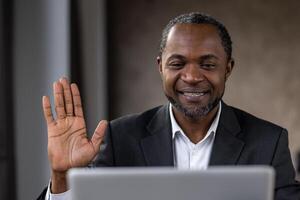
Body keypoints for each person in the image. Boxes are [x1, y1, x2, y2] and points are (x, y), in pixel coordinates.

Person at [37, 12, 300, 200]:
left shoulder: (269, 141)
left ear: (228, 69)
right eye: (177, 64)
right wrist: (62, 177)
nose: (192, 77)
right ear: (160, 67)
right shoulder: (119, 139)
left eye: (208, 64)